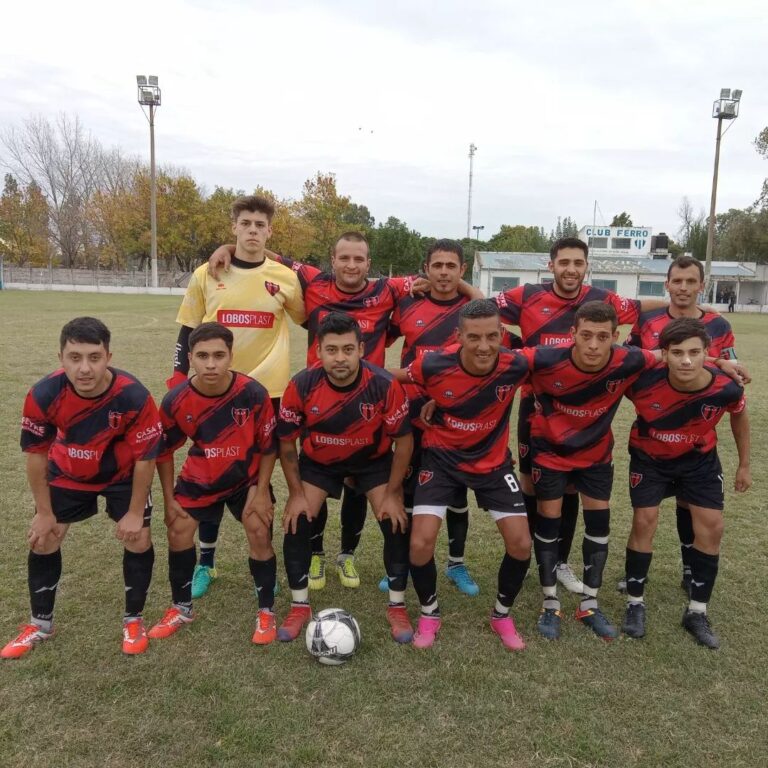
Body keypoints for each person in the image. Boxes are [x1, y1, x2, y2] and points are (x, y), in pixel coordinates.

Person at [209, 231, 478, 590]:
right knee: (317, 477)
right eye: (344, 258)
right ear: (332, 260)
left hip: (371, 403)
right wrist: (230, 247)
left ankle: (346, 555)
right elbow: (273, 257)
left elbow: (443, 282)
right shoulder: (313, 280)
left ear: (369, 263)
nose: (351, 265)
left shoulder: (387, 289)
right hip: (317, 402)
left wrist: (465, 288)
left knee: (357, 485)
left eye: (359, 259)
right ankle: (316, 554)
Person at [493, 237, 658, 597]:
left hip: (582, 408)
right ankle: (534, 557)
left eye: (578, 263)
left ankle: (560, 562)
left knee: (569, 486)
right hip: (537, 406)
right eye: (564, 262)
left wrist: (686, 304)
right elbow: (482, 310)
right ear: (551, 265)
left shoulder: (602, 300)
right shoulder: (527, 295)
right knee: (533, 486)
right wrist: (514, 343)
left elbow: (641, 306)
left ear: (586, 266)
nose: (571, 269)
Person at [169, 195, 305, 600]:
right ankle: (206, 563)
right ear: (234, 227)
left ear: (270, 231)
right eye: (245, 223)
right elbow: (187, 330)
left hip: (269, 395)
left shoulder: (285, 277)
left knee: (258, 478)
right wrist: (178, 377)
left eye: (260, 225)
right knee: (212, 471)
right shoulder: (207, 273)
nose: (252, 230)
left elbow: (309, 319)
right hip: (214, 393)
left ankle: (264, 561)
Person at [2, 317, 160, 659]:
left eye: (94, 357)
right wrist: (44, 513)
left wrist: (135, 512)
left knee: (139, 537)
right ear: (61, 357)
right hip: (69, 472)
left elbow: (145, 458)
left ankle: (133, 619)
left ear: (108, 357)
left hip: (121, 475)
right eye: (75, 357)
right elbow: (36, 455)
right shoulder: (44, 393)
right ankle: (40, 624)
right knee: (44, 538)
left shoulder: (133, 395)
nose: (84, 368)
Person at [275, 312, 414, 643]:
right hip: (320, 462)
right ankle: (299, 606)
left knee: (395, 521)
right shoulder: (301, 385)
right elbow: (286, 443)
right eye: (332, 350)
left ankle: (397, 605)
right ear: (319, 351)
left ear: (361, 350)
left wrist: (393, 493)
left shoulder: (383, 384)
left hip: (372, 462)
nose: (340, 358)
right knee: (297, 520)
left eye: (348, 349)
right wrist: (296, 494)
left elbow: (405, 441)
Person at [404, 300, 531, 650]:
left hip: (493, 464)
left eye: (492, 336)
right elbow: (398, 379)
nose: (484, 346)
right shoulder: (432, 363)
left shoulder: (517, 364)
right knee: (419, 543)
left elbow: (566, 360)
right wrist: (428, 400)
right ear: (458, 337)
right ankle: (429, 613)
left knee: (521, 543)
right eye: (474, 337)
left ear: (502, 334)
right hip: (441, 460)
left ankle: (501, 615)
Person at [621, 318, 750, 648]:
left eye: (695, 352)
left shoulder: (727, 387)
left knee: (712, 526)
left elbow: (739, 416)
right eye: (677, 353)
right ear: (664, 354)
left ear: (707, 352)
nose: (686, 361)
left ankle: (697, 611)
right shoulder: (641, 379)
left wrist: (744, 465)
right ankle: (635, 603)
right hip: (650, 460)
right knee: (644, 521)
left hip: (699, 462)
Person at [149, 323, 279, 645]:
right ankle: (181, 608)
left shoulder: (253, 393)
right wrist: (169, 499)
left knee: (259, 527)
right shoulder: (176, 399)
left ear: (231, 356)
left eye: (219, 355)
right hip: (202, 476)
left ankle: (266, 612)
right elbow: (163, 452)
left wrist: (262, 492)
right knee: (178, 530)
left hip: (245, 477)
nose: (211, 364)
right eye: (203, 356)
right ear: (190, 358)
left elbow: (269, 446)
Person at [622, 255, 738, 594]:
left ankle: (691, 570)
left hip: (696, 437)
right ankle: (636, 577)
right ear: (667, 284)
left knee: (691, 505)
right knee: (645, 515)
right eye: (677, 281)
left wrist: (721, 363)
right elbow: (630, 361)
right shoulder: (647, 320)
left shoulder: (719, 325)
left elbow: (731, 368)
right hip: (655, 429)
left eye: (690, 281)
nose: (683, 287)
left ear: (702, 285)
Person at [382, 238, 492, 597]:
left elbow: (487, 311)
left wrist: (465, 288)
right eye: (437, 266)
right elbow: (379, 338)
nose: (444, 272)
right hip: (412, 408)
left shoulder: (470, 310)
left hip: (454, 410)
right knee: (409, 489)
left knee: (456, 494)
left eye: (451, 266)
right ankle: (403, 563)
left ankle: (456, 564)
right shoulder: (408, 303)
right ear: (426, 268)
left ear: (463, 270)